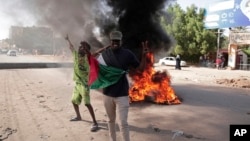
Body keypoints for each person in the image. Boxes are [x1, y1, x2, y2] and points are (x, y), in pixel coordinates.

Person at [95, 31, 148, 141]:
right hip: (107, 94)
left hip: (122, 95)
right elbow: (91, 61)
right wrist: (102, 49)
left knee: (123, 122)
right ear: (110, 41)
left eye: (117, 41)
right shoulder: (104, 55)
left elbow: (140, 69)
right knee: (111, 121)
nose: (115, 43)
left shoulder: (127, 54)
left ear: (121, 41)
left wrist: (144, 56)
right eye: (113, 41)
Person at [65, 35, 98, 132]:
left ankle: (95, 122)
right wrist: (68, 39)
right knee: (73, 101)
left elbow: (90, 54)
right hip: (77, 83)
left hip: (85, 84)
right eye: (80, 47)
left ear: (86, 50)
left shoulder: (88, 58)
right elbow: (71, 47)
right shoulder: (75, 54)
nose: (80, 48)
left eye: (83, 48)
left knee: (87, 103)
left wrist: (86, 49)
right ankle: (78, 116)